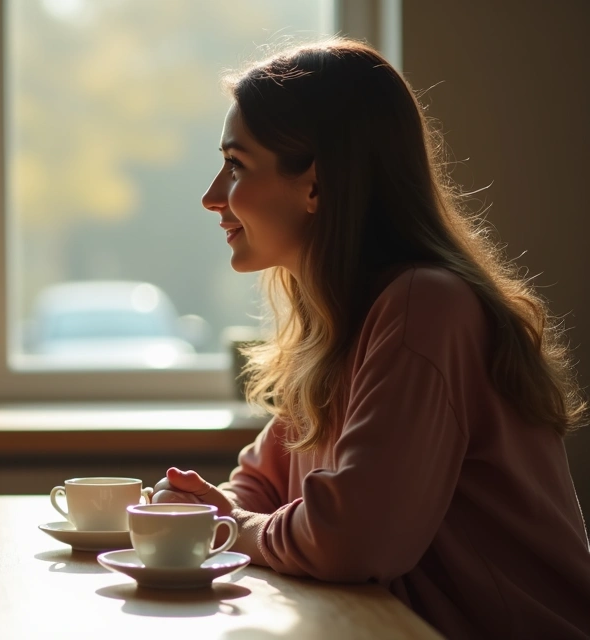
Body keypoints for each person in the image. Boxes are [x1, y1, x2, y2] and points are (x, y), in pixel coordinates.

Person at [151, 39, 590, 638]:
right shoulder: (339, 322)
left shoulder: (425, 308)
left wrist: (226, 526)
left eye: (236, 165)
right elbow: (261, 480)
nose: (211, 197)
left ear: (315, 183)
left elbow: (348, 541)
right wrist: (206, 510)